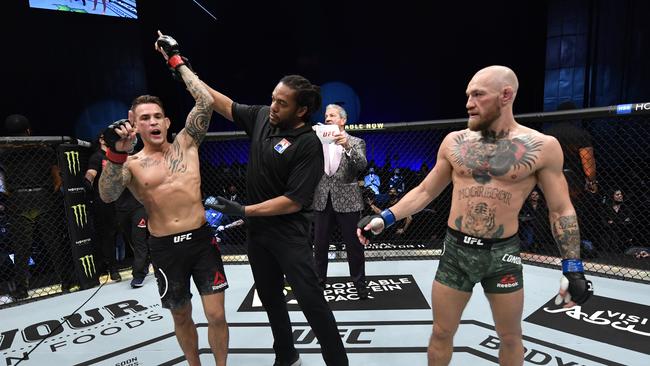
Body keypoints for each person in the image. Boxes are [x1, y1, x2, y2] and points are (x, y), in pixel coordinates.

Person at [357, 65, 594, 366]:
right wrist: (386, 218)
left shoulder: (542, 147)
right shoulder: (455, 142)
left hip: (502, 256)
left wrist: (573, 267)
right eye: (468, 94)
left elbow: (560, 208)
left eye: (478, 95)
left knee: (510, 336)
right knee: (442, 332)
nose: (469, 102)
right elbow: (426, 191)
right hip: (456, 251)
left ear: (506, 95)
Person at [98, 32, 228, 366]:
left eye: (158, 116)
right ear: (134, 124)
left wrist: (176, 60)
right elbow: (108, 194)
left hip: (201, 240)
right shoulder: (130, 164)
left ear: (168, 121)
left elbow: (206, 102)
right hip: (166, 248)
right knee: (182, 316)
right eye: (145, 118)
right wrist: (115, 154)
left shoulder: (187, 143)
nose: (153, 121)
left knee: (215, 315)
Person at [202, 72, 348, 365]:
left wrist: (243, 211)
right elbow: (218, 102)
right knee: (270, 298)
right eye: (272, 99)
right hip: (258, 235)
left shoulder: (307, 144)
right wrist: (182, 68)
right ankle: (286, 354)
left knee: (311, 301)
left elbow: (292, 202)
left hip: (288, 235)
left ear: (301, 110)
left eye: (281, 103)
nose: (273, 107)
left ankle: (337, 361)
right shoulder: (261, 119)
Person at [1, 114, 73, 300]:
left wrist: (14, 193)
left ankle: (22, 289)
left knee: (21, 248)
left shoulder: (4, 152)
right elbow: (57, 179)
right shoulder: (44, 149)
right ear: (28, 131)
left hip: (18, 200)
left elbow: (3, 184)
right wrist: (47, 190)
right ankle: (66, 282)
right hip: (44, 198)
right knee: (55, 243)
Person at [312, 104, 368, 298]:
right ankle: (319, 285)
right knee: (319, 246)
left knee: (354, 246)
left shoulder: (356, 141)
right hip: (321, 200)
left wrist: (346, 145)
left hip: (348, 201)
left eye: (332, 115)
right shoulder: (317, 141)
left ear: (343, 120)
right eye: (326, 115)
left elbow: (361, 165)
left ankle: (360, 285)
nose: (327, 118)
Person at [84, 132, 122, 282]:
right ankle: (112, 269)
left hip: (120, 199)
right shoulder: (97, 157)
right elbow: (90, 176)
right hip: (104, 202)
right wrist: (92, 189)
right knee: (108, 236)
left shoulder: (117, 155)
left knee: (127, 231)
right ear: (101, 139)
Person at [115, 188, 149, 288]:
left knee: (139, 239)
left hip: (139, 205)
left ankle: (138, 274)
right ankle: (145, 262)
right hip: (121, 207)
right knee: (132, 240)